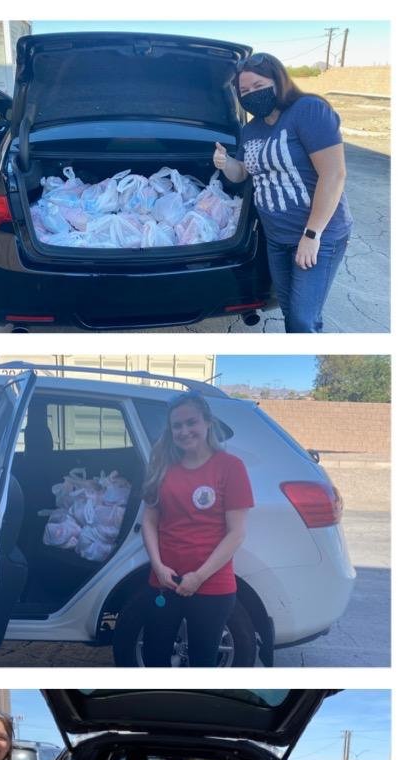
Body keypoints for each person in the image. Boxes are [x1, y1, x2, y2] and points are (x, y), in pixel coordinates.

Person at [213, 52, 352, 333]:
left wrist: (312, 235)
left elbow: (334, 174)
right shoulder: (250, 130)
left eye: (259, 86)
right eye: (245, 91)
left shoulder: (308, 110)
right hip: (276, 239)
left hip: (317, 236)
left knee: (302, 318)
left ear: (278, 81)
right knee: (291, 311)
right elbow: (241, 173)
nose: (252, 94)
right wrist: (225, 162)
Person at [140, 392, 254, 667]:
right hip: (164, 581)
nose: (184, 431)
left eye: (191, 422)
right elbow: (149, 521)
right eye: (176, 426)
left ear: (207, 424)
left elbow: (236, 533)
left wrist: (199, 577)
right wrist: (158, 566)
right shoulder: (163, 467)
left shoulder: (230, 467)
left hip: (212, 585)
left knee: (203, 662)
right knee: (154, 658)